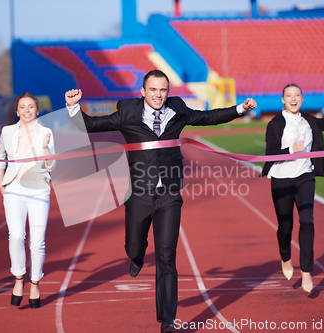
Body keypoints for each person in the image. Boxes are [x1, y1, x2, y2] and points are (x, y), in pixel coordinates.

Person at [65, 70, 256, 332]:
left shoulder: (177, 108)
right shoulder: (127, 112)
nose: (158, 95)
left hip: (169, 195)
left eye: (163, 90)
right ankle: (136, 255)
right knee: (133, 246)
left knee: (167, 256)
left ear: (168, 91)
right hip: (139, 194)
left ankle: (167, 320)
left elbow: (209, 118)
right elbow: (92, 126)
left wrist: (239, 108)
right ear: (143, 92)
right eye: (153, 90)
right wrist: (74, 109)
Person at [261, 84, 324, 292]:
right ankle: (285, 258)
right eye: (289, 96)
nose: (293, 99)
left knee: (307, 221)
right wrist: (291, 149)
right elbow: (270, 153)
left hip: (305, 176)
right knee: (285, 227)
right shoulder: (275, 124)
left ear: (302, 99)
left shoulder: (309, 120)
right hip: (281, 180)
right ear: (283, 100)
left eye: (297, 95)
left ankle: (306, 271)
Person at [0, 92, 56, 309]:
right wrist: (1, 184)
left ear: (37, 110)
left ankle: (35, 284)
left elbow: (51, 166)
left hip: (39, 190)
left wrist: (47, 147)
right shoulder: (7, 131)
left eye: (31, 107)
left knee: (37, 242)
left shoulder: (46, 132)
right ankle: (18, 279)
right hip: (14, 189)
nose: (27, 111)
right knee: (16, 236)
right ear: (17, 110)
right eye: (23, 107)